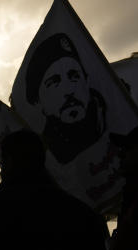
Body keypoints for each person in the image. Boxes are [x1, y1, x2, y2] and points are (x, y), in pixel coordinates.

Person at [24, 33, 108, 163]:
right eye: (54, 83)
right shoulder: (45, 158)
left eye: (74, 76)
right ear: (38, 101)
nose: (69, 91)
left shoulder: (113, 117)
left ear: (87, 82)